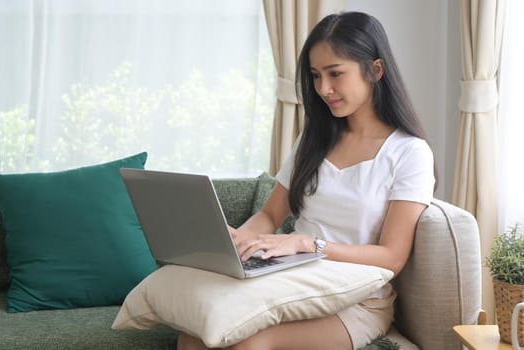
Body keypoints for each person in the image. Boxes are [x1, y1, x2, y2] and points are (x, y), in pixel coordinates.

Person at [177, 11, 435, 350]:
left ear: (375, 70)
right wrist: (240, 240)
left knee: (248, 344)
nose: (323, 89)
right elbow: (271, 216)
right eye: (315, 76)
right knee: (195, 336)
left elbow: (391, 256)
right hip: (293, 283)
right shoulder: (314, 139)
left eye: (335, 74)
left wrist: (308, 245)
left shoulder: (409, 153)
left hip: (356, 301)